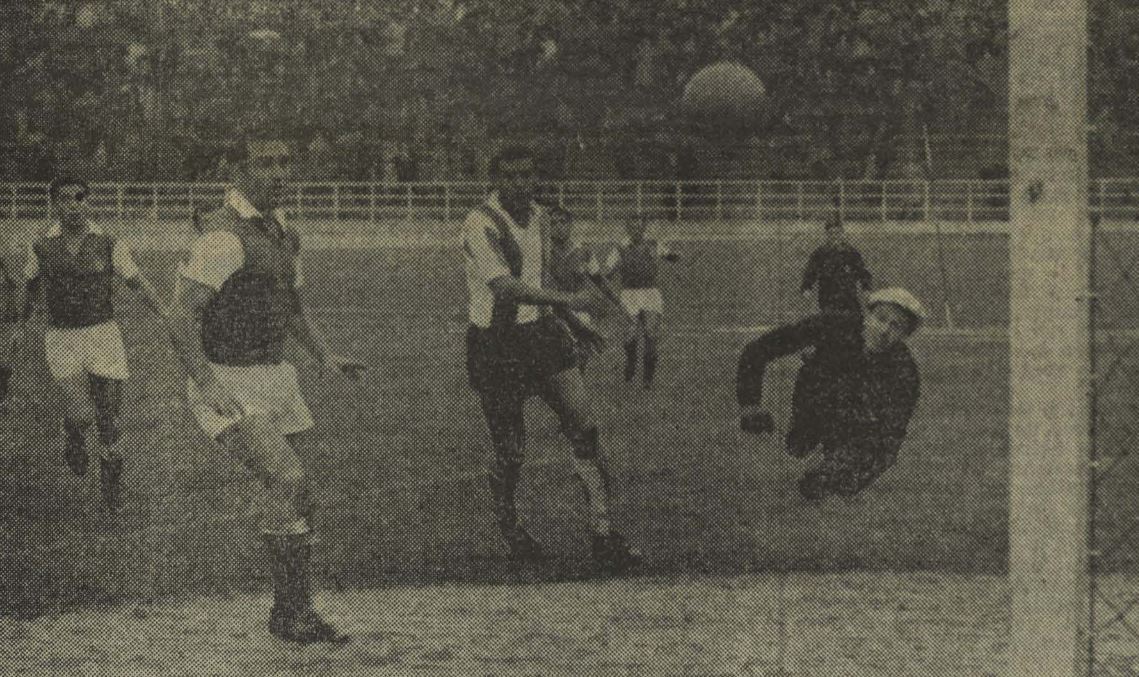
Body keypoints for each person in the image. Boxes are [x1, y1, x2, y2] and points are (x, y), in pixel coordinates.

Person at [169, 134, 366, 644]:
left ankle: (290, 612)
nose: (279, 173)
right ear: (238, 172)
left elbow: (292, 307)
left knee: (298, 498)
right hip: (229, 381)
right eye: (265, 164)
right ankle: (293, 615)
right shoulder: (223, 238)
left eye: (284, 162)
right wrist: (206, 382)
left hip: (277, 378)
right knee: (287, 478)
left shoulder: (284, 232)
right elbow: (180, 316)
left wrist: (325, 356)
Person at [463, 144, 641, 573]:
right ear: (495, 180)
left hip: (542, 335)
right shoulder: (480, 222)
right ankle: (512, 530)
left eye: (527, 175)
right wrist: (572, 301)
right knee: (511, 451)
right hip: (496, 345)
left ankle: (603, 533)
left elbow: (538, 278)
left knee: (585, 428)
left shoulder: (542, 218)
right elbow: (505, 287)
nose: (520, 184)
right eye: (510, 176)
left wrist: (574, 323)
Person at [19, 176, 173, 513]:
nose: (73, 205)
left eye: (79, 198)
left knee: (109, 418)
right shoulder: (40, 246)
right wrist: (18, 321)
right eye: (65, 199)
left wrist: (165, 313)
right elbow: (28, 288)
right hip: (62, 339)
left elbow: (137, 282)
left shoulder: (109, 243)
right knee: (82, 414)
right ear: (55, 204)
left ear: (88, 202)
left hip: (103, 335)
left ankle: (112, 487)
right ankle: (73, 435)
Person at [736, 288, 925, 500]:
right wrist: (750, 404)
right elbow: (759, 349)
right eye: (880, 318)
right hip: (814, 403)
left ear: (905, 336)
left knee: (837, 482)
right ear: (867, 315)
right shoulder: (832, 325)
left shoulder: (904, 371)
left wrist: (841, 474)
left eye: (896, 326)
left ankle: (831, 468)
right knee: (798, 448)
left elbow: (892, 435)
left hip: (855, 422)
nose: (884, 330)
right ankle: (806, 438)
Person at [616, 220, 678, 388]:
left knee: (651, 334)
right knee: (630, 338)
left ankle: (648, 378)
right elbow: (608, 269)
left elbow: (669, 255)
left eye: (639, 227)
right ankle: (631, 359)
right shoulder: (620, 248)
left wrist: (673, 255)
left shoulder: (653, 244)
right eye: (632, 227)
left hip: (650, 293)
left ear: (644, 228)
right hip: (629, 294)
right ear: (627, 228)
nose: (636, 230)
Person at [545, 206, 598, 372]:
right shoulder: (544, 253)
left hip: (579, 310)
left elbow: (599, 279)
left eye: (563, 222)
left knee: (581, 360)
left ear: (570, 225)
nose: (558, 227)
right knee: (560, 361)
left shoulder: (583, 251)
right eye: (553, 223)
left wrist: (615, 304)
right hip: (552, 312)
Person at [800, 214, 873, 315]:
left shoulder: (851, 253)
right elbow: (810, 272)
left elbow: (862, 272)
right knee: (830, 322)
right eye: (831, 233)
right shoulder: (820, 254)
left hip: (849, 298)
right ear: (826, 235)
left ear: (842, 234)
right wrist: (807, 288)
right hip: (828, 298)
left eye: (837, 233)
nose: (834, 236)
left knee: (851, 321)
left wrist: (866, 288)